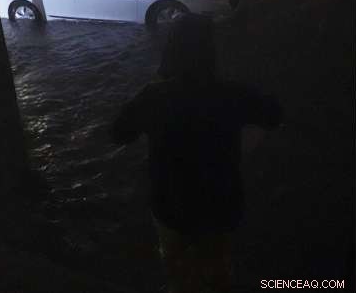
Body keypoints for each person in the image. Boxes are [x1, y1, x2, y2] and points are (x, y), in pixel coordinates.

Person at [111, 15, 281, 293]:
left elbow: (119, 134)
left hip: (171, 204)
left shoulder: (154, 96)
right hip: (220, 205)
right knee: (217, 270)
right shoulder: (231, 94)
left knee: (177, 271)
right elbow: (273, 116)